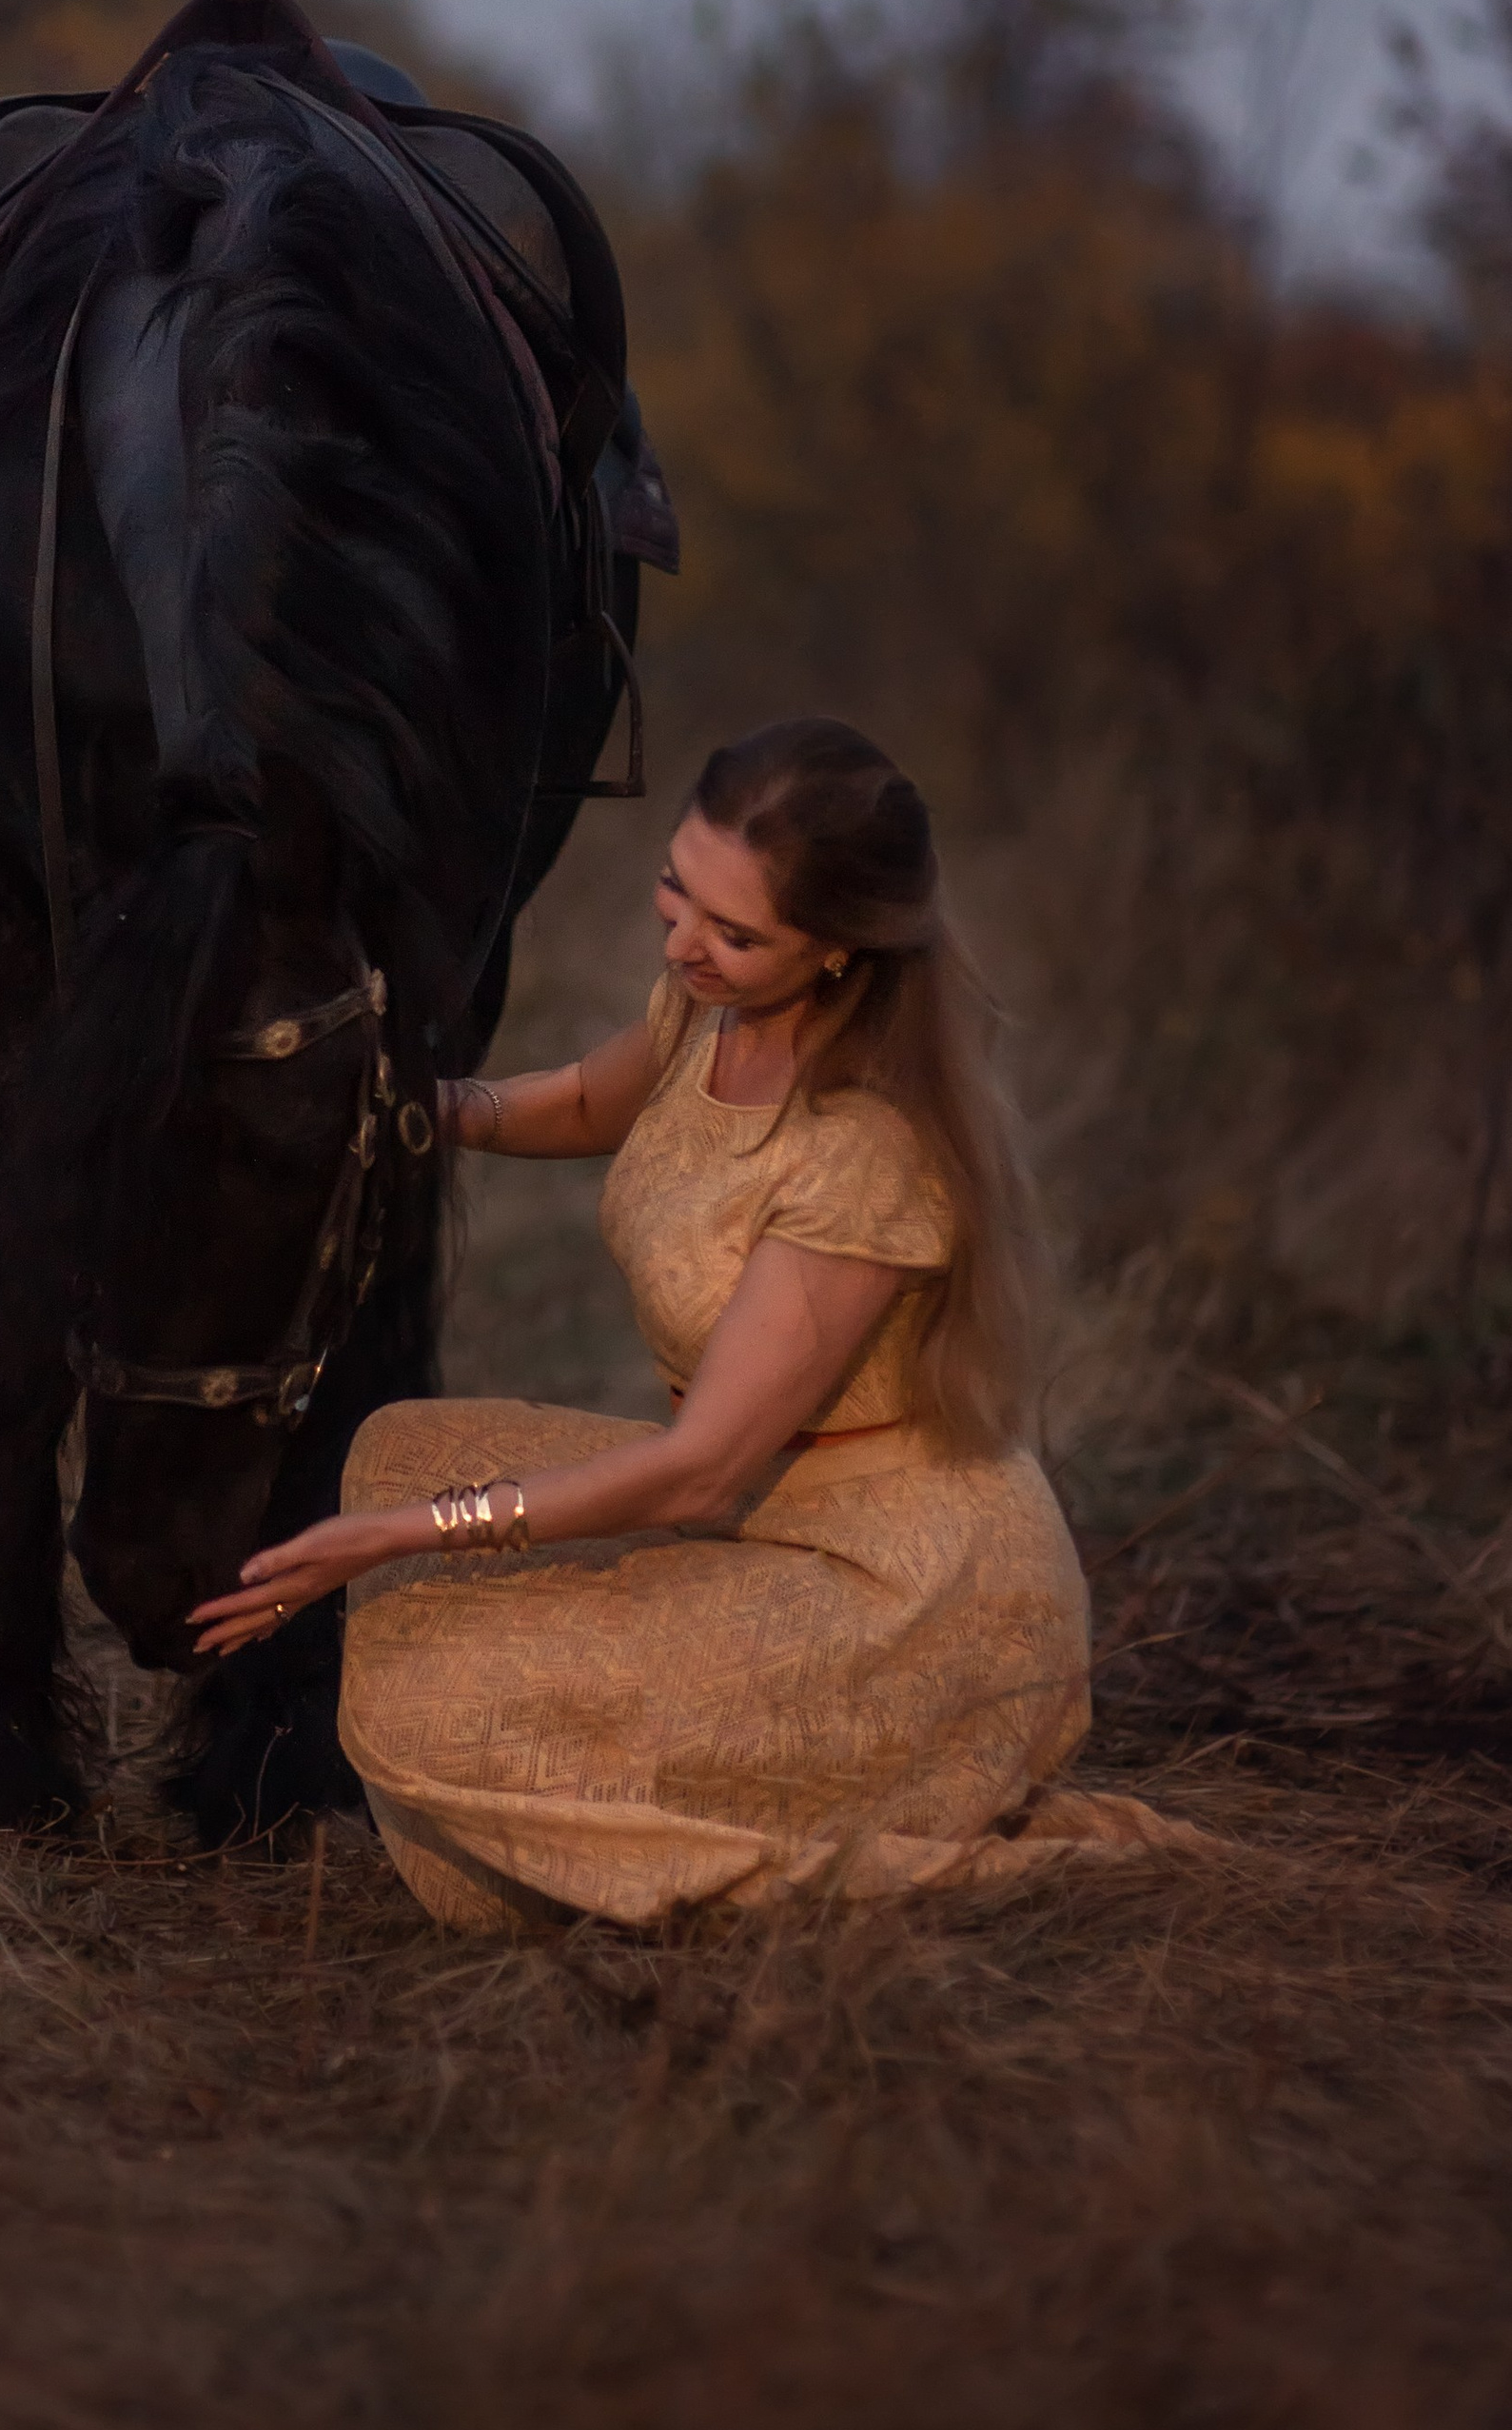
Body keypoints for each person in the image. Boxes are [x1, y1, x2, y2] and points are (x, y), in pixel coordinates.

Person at [192, 716, 1203, 1929]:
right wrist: (415, 1103)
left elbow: (694, 1473)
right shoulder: (706, 1010)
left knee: (424, 1689)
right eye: (677, 892)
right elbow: (577, 1101)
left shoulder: (864, 1154)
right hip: (764, 1511)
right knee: (406, 1449)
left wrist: (385, 1541)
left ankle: (935, 1848)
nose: (683, 943)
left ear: (836, 951)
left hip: (908, 1589)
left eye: (734, 932)